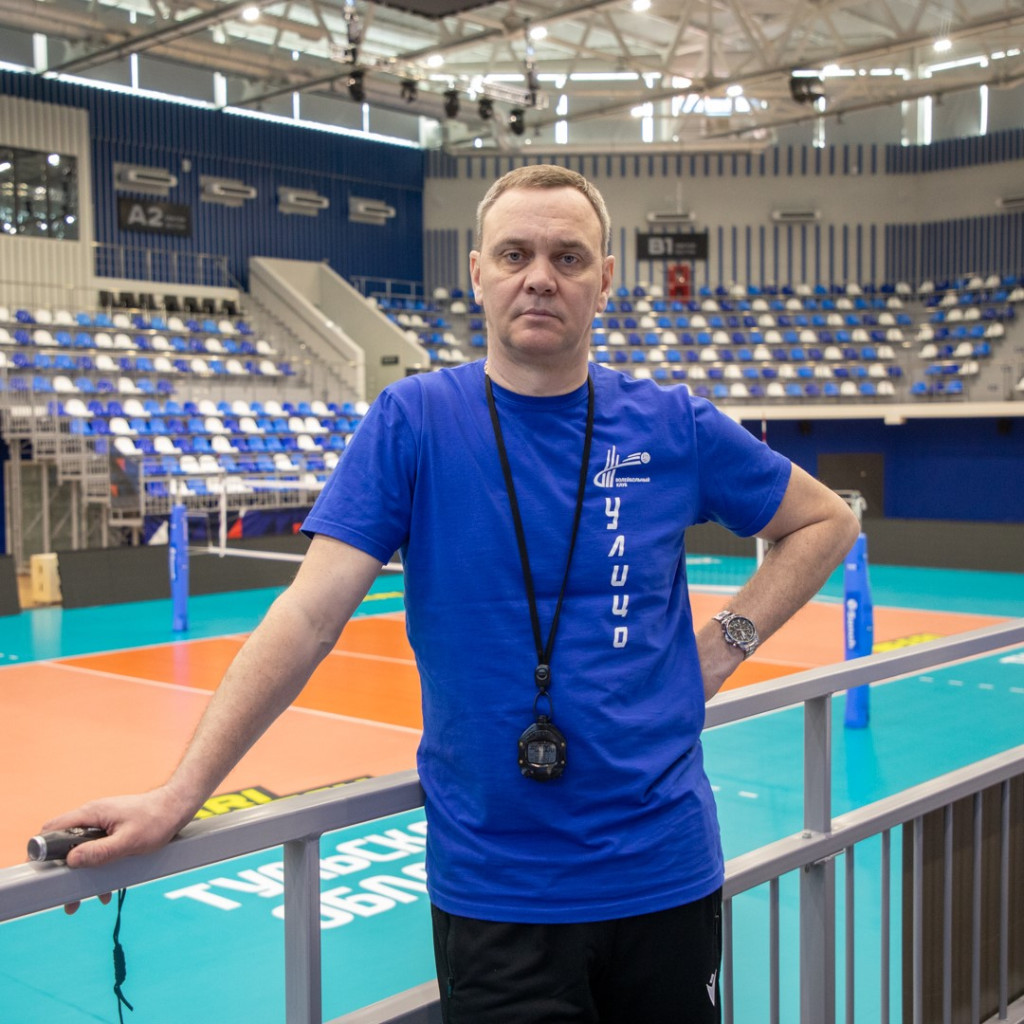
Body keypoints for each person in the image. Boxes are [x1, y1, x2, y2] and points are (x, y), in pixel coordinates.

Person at [43, 164, 860, 1023]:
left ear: (605, 278)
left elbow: (824, 521)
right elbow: (308, 617)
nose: (539, 277)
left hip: (664, 872)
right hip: (496, 892)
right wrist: (179, 795)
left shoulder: (669, 423)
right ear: (477, 271)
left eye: (568, 257)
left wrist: (720, 649)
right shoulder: (413, 421)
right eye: (514, 254)